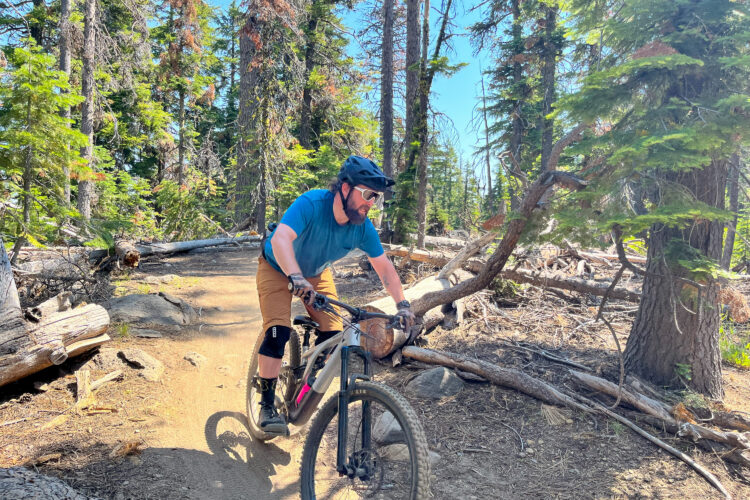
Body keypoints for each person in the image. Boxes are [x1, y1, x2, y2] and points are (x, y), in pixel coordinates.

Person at [255, 155, 415, 435]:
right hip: (278, 267)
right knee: (278, 332)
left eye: (376, 197)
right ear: (344, 188)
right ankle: (266, 404)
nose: (371, 203)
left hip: (315, 274)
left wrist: (402, 304)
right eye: (367, 194)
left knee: (333, 336)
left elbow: (384, 267)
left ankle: (304, 383)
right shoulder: (312, 204)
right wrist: (295, 277)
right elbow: (281, 239)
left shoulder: (362, 227)